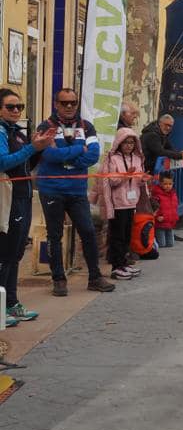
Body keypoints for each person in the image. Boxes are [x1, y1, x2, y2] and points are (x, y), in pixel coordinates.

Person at [35, 87, 115, 296]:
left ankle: (95, 277)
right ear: (56, 104)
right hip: (51, 189)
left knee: (88, 232)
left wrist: (64, 154)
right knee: (54, 234)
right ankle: (59, 279)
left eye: (73, 102)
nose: (69, 106)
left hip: (77, 190)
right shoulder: (46, 126)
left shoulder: (86, 127)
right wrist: (79, 150)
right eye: (64, 103)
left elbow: (94, 156)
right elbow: (49, 155)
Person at [0, 89, 56, 324]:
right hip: (8, 198)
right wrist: (33, 148)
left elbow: (26, 163)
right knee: (5, 253)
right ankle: (2, 306)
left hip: (23, 197)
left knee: (16, 253)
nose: (16, 111)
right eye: (10, 107)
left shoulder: (18, 132)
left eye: (19, 107)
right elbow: (3, 162)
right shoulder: (1, 132)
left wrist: (39, 148)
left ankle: (11, 303)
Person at [93, 128, 146, 280]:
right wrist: (125, 176)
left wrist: (142, 180)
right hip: (118, 203)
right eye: (126, 142)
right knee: (117, 235)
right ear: (119, 143)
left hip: (131, 202)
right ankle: (116, 267)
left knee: (127, 234)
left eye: (132, 143)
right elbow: (111, 181)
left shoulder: (137, 158)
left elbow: (139, 179)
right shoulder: (113, 159)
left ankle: (124, 263)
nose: (129, 145)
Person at [152, 171, 180, 248]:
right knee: (162, 244)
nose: (168, 186)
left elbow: (174, 207)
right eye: (165, 184)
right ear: (160, 183)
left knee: (170, 244)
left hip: (170, 222)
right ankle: (153, 241)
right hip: (160, 223)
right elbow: (153, 207)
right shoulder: (156, 195)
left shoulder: (173, 194)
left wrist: (175, 217)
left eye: (170, 184)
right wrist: (157, 216)